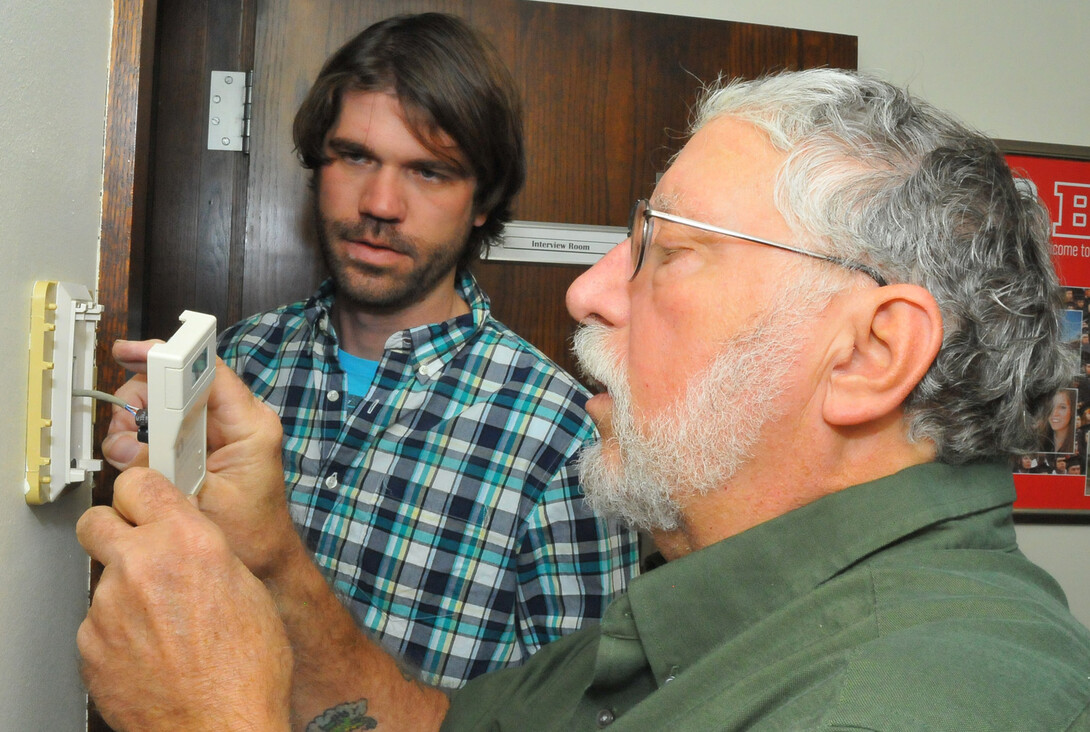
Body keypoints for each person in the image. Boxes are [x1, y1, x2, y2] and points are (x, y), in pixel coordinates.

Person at [80, 68, 1090, 730]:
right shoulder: (709, 602)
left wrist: (213, 719)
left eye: (669, 251)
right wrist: (268, 555)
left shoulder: (927, 699)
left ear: (872, 352)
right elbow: (429, 722)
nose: (588, 290)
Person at [101, 12, 638, 690]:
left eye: (430, 171)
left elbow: (584, 713)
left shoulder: (563, 443)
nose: (380, 203)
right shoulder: (242, 362)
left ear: (483, 200)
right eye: (356, 156)